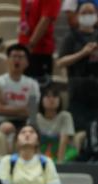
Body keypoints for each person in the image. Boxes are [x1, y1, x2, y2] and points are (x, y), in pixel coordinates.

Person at [55, 0, 98, 134]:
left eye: (91, 12)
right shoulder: (71, 37)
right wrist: (82, 53)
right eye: (84, 12)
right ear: (78, 15)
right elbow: (60, 62)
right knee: (78, 128)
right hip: (78, 88)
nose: (88, 15)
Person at [0, 45, 40, 150]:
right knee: (8, 127)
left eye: (20, 57)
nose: (17, 60)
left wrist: (7, 108)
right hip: (0, 121)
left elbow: (32, 111)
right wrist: (22, 109)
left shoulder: (32, 84)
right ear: (7, 60)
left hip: (24, 122)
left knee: (33, 128)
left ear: (27, 62)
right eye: (14, 56)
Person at [20, 0, 61, 79]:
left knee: (38, 84)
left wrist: (30, 44)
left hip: (39, 50)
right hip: (23, 47)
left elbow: (46, 20)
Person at [36, 86, 77, 162]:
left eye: (55, 96)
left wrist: (59, 162)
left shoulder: (65, 116)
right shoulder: (36, 117)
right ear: (41, 100)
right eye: (48, 96)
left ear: (60, 100)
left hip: (61, 152)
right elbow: (34, 142)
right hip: (41, 153)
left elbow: (64, 139)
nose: (51, 99)